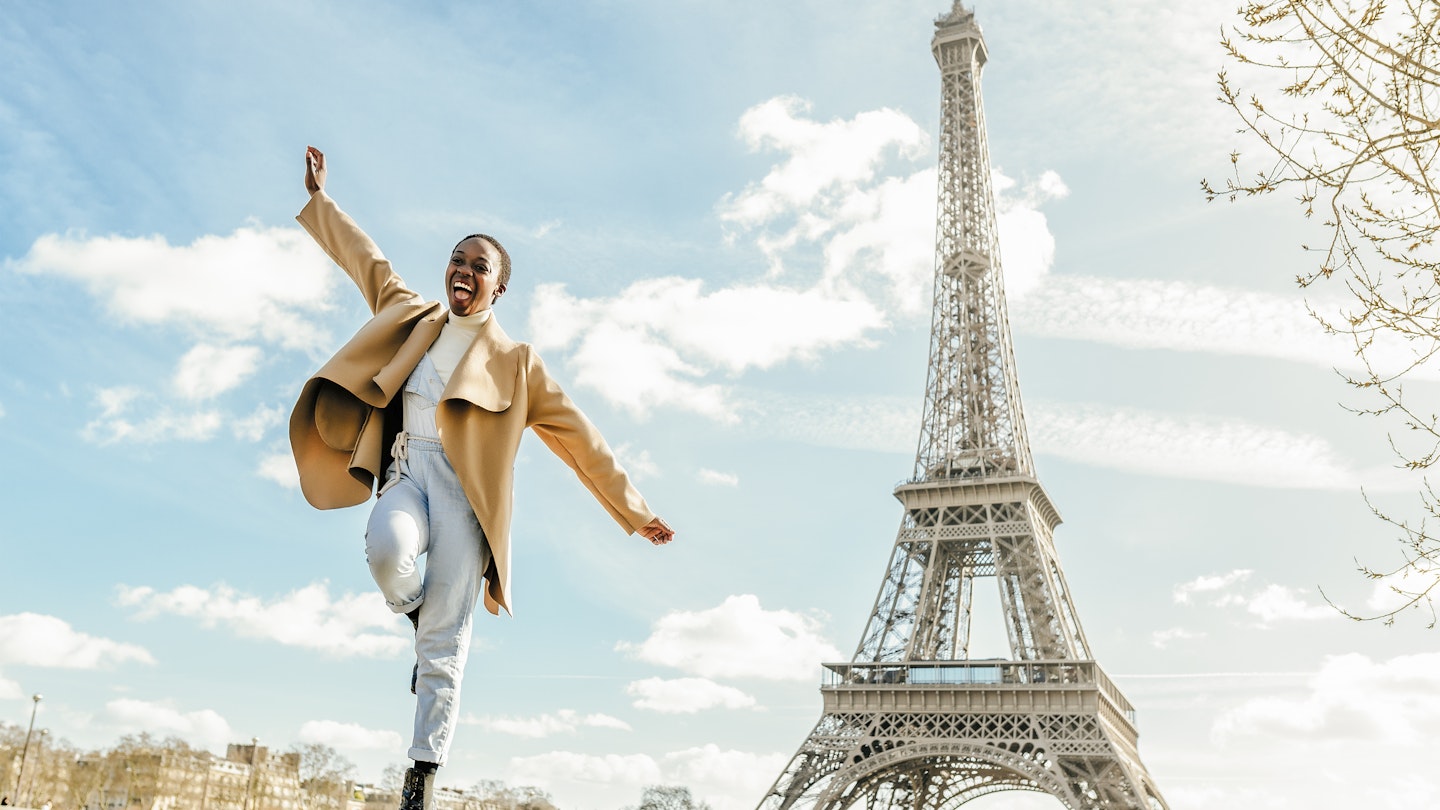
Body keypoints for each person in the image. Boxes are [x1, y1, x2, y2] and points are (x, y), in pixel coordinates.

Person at [288, 146, 674, 810]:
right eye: (458, 260)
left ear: (500, 287)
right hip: (409, 473)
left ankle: (423, 774)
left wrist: (633, 511)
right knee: (386, 551)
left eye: (480, 266)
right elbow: (364, 258)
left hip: (468, 502)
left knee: (448, 644)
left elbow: (583, 440)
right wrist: (322, 201)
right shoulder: (408, 313)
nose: (463, 270)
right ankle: (412, 611)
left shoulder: (519, 364)